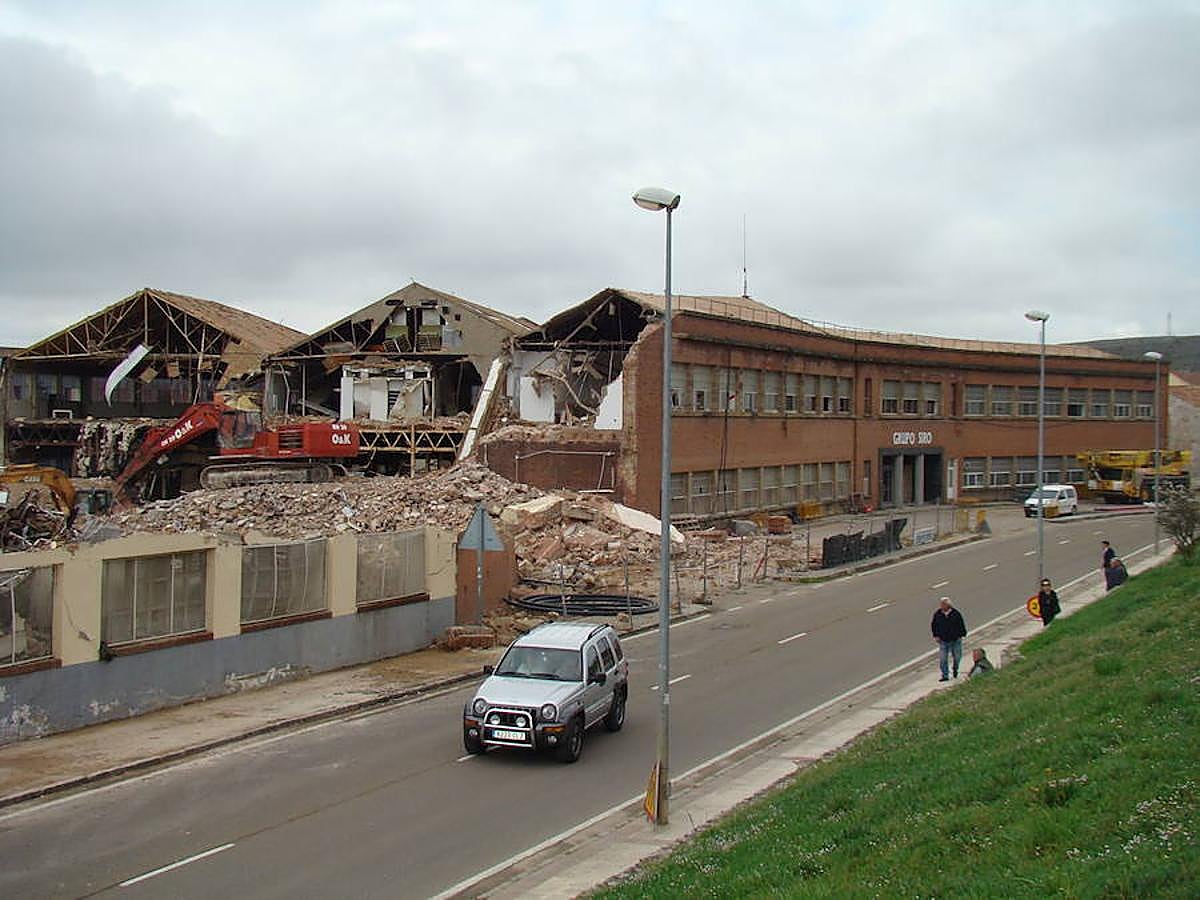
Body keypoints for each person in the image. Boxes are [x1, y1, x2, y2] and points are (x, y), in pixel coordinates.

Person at [931, 597, 967, 681]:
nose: (942, 606)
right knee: (943, 659)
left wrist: (962, 634)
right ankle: (945, 675)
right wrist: (936, 635)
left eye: (944, 604)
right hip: (943, 640)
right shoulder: (938, 614)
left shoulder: (956, 614)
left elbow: (961, 624)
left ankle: (955, 668)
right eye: (941, 604)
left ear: (949, 605)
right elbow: (934, 625)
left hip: (955, 640)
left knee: (957, 657)